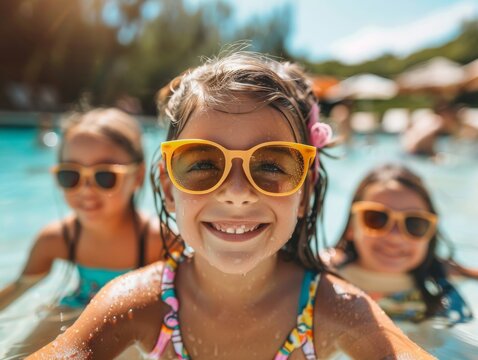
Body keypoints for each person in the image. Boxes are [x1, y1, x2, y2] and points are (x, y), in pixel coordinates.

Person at [29, 52, 433, 359]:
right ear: (168, 189)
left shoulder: (338, 310)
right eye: (202, 163)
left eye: (273, 164)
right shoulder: (137, 303)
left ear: (305, 191)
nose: (236, 192)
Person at [0, 108, 170, 355]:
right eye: (71, 175)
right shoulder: (57, 239)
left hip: (132, 321)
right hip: (73, 312)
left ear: (138, 176)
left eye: (104, 176)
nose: (86, 189)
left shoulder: (158, 240)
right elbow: (18, 289)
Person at [322, 163, 475, 325]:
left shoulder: (439, 273)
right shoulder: (327, 270)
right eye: (376, 218)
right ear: (352, 227)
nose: (395, 236)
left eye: (414, 224)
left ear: (430, 233)